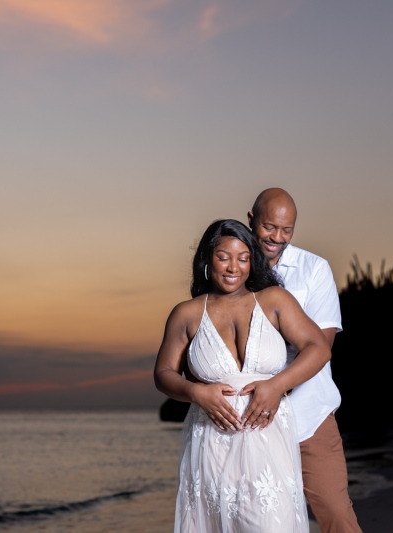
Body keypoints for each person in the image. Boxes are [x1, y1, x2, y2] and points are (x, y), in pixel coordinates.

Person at [154, 219, 332, 532]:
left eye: (243, 258)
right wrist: (196, 392)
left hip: (267, 437)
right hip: (210, 439)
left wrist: (277, 387)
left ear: (253, 261)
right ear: (208, 260)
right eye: (224, 257)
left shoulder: (275, 300)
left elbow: (318, 348)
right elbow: (164, 373)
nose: (233, 267)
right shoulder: (187, 313)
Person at [247, 188, 361, 532]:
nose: (277, 238)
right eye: (269, 227)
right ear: (251, 220)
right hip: (253, 422)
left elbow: (321, 347)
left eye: (287, 230)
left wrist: (275, 387)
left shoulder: (314, 270)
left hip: (309, 414)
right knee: (261, 520)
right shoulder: (233, 269)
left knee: (336, 515)